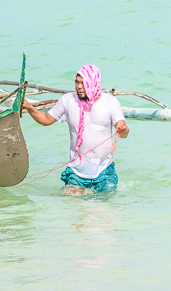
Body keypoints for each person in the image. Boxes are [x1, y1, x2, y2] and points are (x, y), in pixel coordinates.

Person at [22, 64, 129, 194]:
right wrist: (28, 107)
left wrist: (122, 129)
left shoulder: (110, 102)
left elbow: (123, 130)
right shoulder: (68, 100)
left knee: (103, 208)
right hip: (76, 171)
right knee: (71, 202)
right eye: (77, 82)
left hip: (104, 170)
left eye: (83, 83)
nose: (79, 87)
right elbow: (46, 119)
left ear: (93, 83)